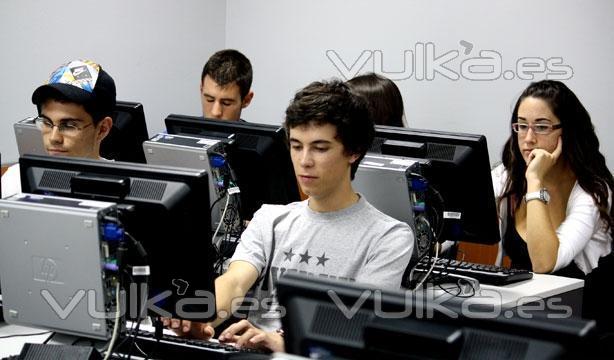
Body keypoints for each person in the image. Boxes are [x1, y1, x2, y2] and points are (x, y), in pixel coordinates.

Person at [165, 79, 414, 352]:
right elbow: (235, 282)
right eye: (296, 146)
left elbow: (358, 326)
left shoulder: (389, 236)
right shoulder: (270, 218)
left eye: (320, 148)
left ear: (353, 151)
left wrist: (285, 342)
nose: (304, 160)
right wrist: (198, 316)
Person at [492, 80, 613, 329]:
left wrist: (535, 181)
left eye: (541, 127)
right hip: (518, 313)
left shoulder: (592, 192)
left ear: (566, 132)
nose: (528, 138)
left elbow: (544, 263)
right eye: (521, 126)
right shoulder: (509, 177)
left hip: (574, 322)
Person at [1, 59, 115, 198]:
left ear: (102, 129)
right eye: (47, 123)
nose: (53, 138)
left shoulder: (122, 189)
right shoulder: (15, 181)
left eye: (69, 125)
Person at [200, 49, 254, 121]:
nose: (215, 112)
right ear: (201, 89)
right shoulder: (181, 131)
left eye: (226, 103)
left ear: (246, 100)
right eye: (210, 100)